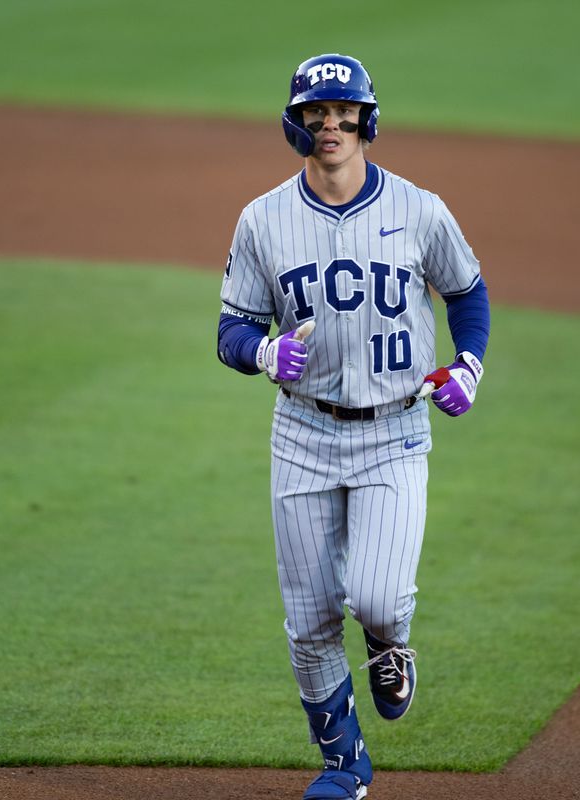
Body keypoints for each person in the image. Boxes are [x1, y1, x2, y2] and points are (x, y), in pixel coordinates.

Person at [216, 53, 490, 800]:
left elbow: (467, 292)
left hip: (394, 432)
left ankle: (387, 642)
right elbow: (231, 331)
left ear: (366, 119)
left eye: (342, 112)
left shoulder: (419, 208)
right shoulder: (263, 219)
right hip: (301, 434)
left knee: (375, 597)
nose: (329, 125)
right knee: (306, 621)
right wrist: (263, 351)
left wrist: (468, 365)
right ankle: (346, 767)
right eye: (315, 113)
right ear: (297, 123)